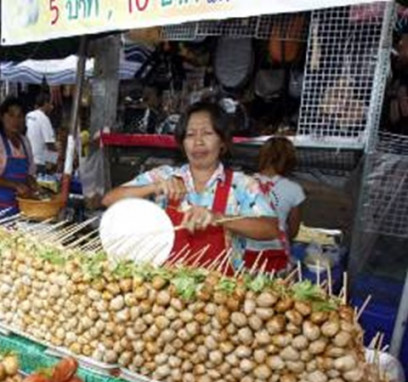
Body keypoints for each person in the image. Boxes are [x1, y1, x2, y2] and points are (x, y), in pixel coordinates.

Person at [103, 101, 279, 271]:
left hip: (221, 290)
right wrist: (154, 187)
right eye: (190, 135)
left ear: (223, 142)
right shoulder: (163, 175)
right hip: (163, 287)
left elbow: (270, 228)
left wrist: (218, 218)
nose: (198, 142)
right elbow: (109, 200)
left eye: (207, 133)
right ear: (182, 143)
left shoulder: (242, 185)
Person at [245, 136, 306, 272]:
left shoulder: (242, 182)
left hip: (244, 255)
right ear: (289, 161)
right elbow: (293, 231)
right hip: (276, 256)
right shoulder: (295, 190)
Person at [0, 97, 38, 217]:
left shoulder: (25, 141)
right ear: (2, 117)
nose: (15, 120)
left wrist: (33, 185)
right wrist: (15, 185)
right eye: (11, 115)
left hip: (21, 207)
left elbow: (29, 173)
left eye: (19, 116)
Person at [25, 93, 56, 173]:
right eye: (50, 104)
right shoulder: (44, 119)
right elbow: (50, 143)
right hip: (39, 162)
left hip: (26, 159)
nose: (52, 107)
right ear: (46, 103)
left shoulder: (28, 115)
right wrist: (53, 162)